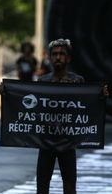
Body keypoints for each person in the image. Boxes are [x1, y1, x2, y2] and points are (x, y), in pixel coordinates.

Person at [36, 39, 83, 194]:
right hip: (46, 140)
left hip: (67, 141)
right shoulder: (43, 81)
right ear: (49, 57)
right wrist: (7, 93)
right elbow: (30, 105)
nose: (58, 57)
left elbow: (88, 106)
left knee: (70, 186)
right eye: (54, 54)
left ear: (68, 58)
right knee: (42, 185)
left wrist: (101, 96)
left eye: (62, 54)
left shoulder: (77, 81)